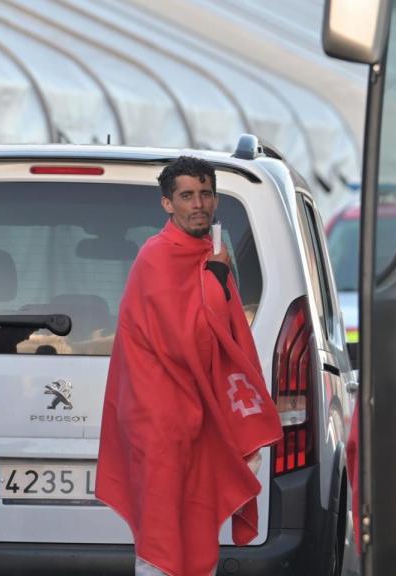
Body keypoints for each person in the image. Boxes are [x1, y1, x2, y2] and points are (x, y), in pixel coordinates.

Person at [95, 156, 283, 576]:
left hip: (200, 417)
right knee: (161, 536)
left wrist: (216, 274)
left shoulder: (208, 255)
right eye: (186, 196)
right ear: (167, 204)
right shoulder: (158, 257)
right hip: (160, 420)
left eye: (206, 194)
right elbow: (186, 341)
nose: (198, 204)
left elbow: (225, 340)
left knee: (197, 526)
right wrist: (217, 280)